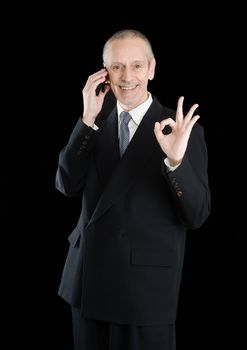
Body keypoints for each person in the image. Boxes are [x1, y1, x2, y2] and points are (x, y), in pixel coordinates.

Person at [55, 29, 211, 350]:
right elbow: (66, 185)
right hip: (87, 281)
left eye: (137, 66)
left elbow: (196, 215)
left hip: (144, 291)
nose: (127, 77)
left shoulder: (177, 128)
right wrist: (87, 118)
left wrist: (175, 161)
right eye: (117, 67)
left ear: (152, 69)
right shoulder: (95, 121)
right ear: (104, 71)